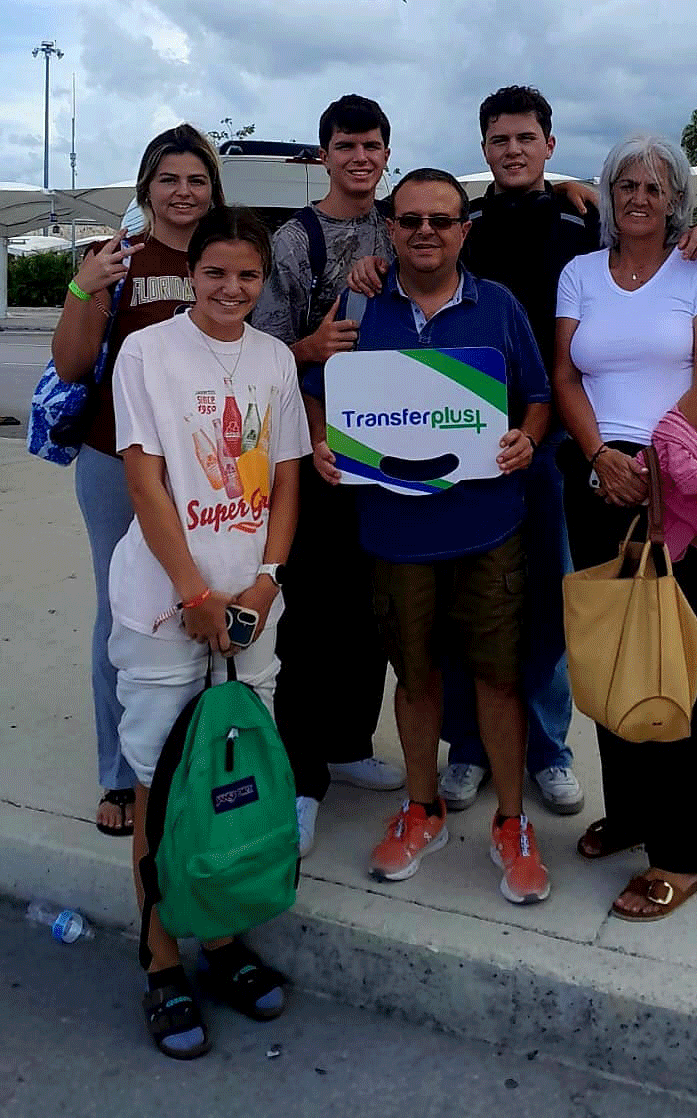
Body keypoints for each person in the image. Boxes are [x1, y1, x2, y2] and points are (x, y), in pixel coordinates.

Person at [349, 87, 697, 818]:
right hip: (459, 445)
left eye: (526, 137)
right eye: (499, 139)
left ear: (550, 146)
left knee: (554, 607)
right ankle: (468, 749)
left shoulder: (581, 218)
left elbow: (645, 250)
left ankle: (549, 748)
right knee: (464, 606)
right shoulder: (466, 219)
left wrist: (696, 234)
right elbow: (407, 258)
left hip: (552, 441)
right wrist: (368, 273)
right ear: (484, 149)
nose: (513, 149)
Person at [305, 169, 554, 904]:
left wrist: (526, 441)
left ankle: (512, 823)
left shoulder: (500, 305)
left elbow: (537, 398)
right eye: (410, 219)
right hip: (394, 532)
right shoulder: (358, 304)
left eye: (440, 221)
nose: (424, 232)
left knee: (499, 681)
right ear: (390, 227)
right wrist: (322, 444)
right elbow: (321, 393)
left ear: (463, 231)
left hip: (489, 526)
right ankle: (423, 810)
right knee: (413, 680)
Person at [108, 205, 310, 1058]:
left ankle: (222, 938)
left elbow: (287, 483)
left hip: (250, 606)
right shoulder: (147, 352)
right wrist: (194, 593)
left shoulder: (272, 359)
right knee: (162, 778)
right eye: (217, 273)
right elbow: (146, 484)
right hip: (166, 604)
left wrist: (265, 585)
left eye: (249, 276)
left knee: (230, 775)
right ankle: (160, 960)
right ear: (193, 273)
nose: (233, 289)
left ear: (264, 283)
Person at [553, 135, 697, 922]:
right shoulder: (579, 273)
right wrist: (600, 455)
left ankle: (683, 851)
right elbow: (564, 374)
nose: (638, 197)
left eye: (655, 187)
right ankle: (629, 816)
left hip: (681, 475)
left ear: (676, 199)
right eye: (626, 184)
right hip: (597, 475)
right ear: (608, 192)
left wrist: (658, 462)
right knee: (612, 649)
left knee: (684, 661)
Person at [51, 124, 225, 837]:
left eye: (197, 180)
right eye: (169, 179)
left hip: (210, 469)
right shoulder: (113, 259)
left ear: (214, 190)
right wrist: (80, 287)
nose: (183, 193)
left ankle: (196, 759)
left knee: (205, 607)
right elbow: (70, 364)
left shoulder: (229, 258)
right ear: (146, 187)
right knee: (122, 611)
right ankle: (121, 775)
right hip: (116, 463)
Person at [252, 94, 404, 859]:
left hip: (390, 459)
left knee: (370, 614)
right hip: (313, 458)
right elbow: (262, 356)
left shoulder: (403, 223)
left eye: (372, 145)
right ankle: (302, 775)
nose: (360, 157)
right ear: (324, 154)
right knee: (307, 625)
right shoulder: (293, 240)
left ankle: (349, 744)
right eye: (346, 146)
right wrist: (311, 348)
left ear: (386, 152)